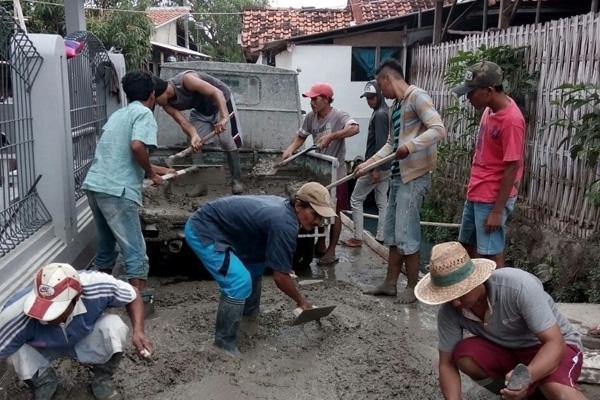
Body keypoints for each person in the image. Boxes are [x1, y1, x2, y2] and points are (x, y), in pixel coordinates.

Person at [415, 242, 586, 400]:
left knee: (559, 392)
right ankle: (516, 393)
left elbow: (555, 343)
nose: (455, 302)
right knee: (463, 354)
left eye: (460, 293)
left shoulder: (519, 286)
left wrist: (527, 377)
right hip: (509, 350)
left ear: (476, 280)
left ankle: (529, 387)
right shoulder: (449, 311)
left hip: (552, 345)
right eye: (448, 296)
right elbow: (446, 364)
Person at [184, 182, 336, 355]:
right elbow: (280, 277)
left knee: (255, 268)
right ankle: (223, 346)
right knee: (238, 281)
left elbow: (278, 261)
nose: (318, 221)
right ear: (299, 205)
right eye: (315, 213)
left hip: (230, 230)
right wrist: (302, 302)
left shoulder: (288, 214)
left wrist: (284, 267)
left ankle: (248, 316)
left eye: (321, 216)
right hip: (204, 229)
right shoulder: (284, 222)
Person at [358, 59, 446, 303]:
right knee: (393, 235)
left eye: (379, 84)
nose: (379, 90)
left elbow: (438, 129)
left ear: (387, 79)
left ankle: (412, 286)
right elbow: (390, 145)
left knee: (408, 233)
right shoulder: (397, 106)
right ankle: (389, 283)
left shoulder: (417, 97)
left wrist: (410, 146)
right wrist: (367, 165)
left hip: (415, 176)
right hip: (398, 176)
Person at [0, 263, 153, 400]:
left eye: (55, 310)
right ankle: (44, 382)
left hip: (83, 336)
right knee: (15, 351)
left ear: (77, 296)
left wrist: (138, 331)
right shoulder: (14, 314)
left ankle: (102, 379)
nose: (46, 317)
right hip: (43, 348)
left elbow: (133, 294)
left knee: (114, 326)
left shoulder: (97, 285)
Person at [82, 70, 172, 302]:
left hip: (96, 186)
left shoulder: (118, 115)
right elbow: (136, 146)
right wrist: (152, 174)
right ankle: (139, 305)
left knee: (105, 247)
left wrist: (161, 170)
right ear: (152, 95)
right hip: (117, 191)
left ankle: (99, 299)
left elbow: (123, 152)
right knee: (136, 251)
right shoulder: (144, 115)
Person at [452, 61, 526, 268]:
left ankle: (498, 298)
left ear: (489, 90)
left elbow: (512, 166)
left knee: (491, 254)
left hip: (492, 195)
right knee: (467, 245)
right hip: (478, 190)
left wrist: (497, 210)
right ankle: (476, 295)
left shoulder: (511, 121)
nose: (468, 98)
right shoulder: (489, 109)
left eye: (471, 92)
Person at [282, 83, 359, 265]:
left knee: (334, 213)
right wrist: (290, 149)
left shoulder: (339, 116)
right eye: (310, 99)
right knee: (316, 209)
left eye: (315, 99)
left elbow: (355, 128)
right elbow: (301, 136)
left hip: (336, 174)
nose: (312, 102)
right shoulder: (311, 117)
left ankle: (331, 251)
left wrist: (331, 136)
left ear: (326, 99)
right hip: (318, 173)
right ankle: (320, 244)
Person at [153, 71, 244, 195]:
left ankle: (237, 181)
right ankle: (201, 185)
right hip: (201, 111)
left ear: (160, 92)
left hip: (221, 102)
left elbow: (217, 92)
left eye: (155, 100)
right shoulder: (166, 104)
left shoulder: (186, 80)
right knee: (195, 144)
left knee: (227, 142)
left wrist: (223, 117)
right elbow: (183, 122)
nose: (156, 103)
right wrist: (194, 135)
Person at [343, 80, 390, 247]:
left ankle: (357, 237)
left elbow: (381, 143)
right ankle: (381, 236)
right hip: (385, 166)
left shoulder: (379, 115)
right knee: (382, 201)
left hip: (375, 166)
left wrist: (375, 168)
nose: (369, 101)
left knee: (356, 199)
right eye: (367, 98)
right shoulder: (383, 111)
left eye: (371, 98)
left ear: (379, 96)